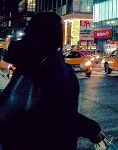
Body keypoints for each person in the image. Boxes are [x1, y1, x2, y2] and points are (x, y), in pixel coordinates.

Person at [0, 12, 104, 149]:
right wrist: (92, 130)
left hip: (14, 142)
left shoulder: (25, 61)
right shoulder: (53, 65)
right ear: (56, 34)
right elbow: (61, 115)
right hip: (48, 142)